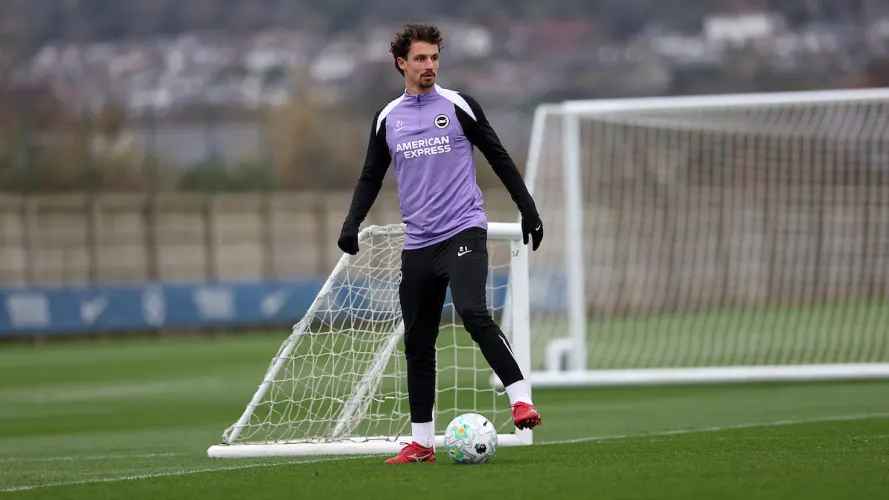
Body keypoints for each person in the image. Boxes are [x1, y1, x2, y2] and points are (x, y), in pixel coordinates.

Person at [337, 22, 544, 464]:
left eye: (434, 58)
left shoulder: (458, 106)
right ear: (402, 64)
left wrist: (528, 209)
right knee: (418, 343)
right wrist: (352, 223)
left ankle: (521, 400)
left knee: (472, 311)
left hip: (463, 232)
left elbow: (498, 156)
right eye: (420, 59)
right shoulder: (386, 117)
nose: (429, 66)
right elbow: (371, 175)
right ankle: (421, 443)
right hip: (418, 245)